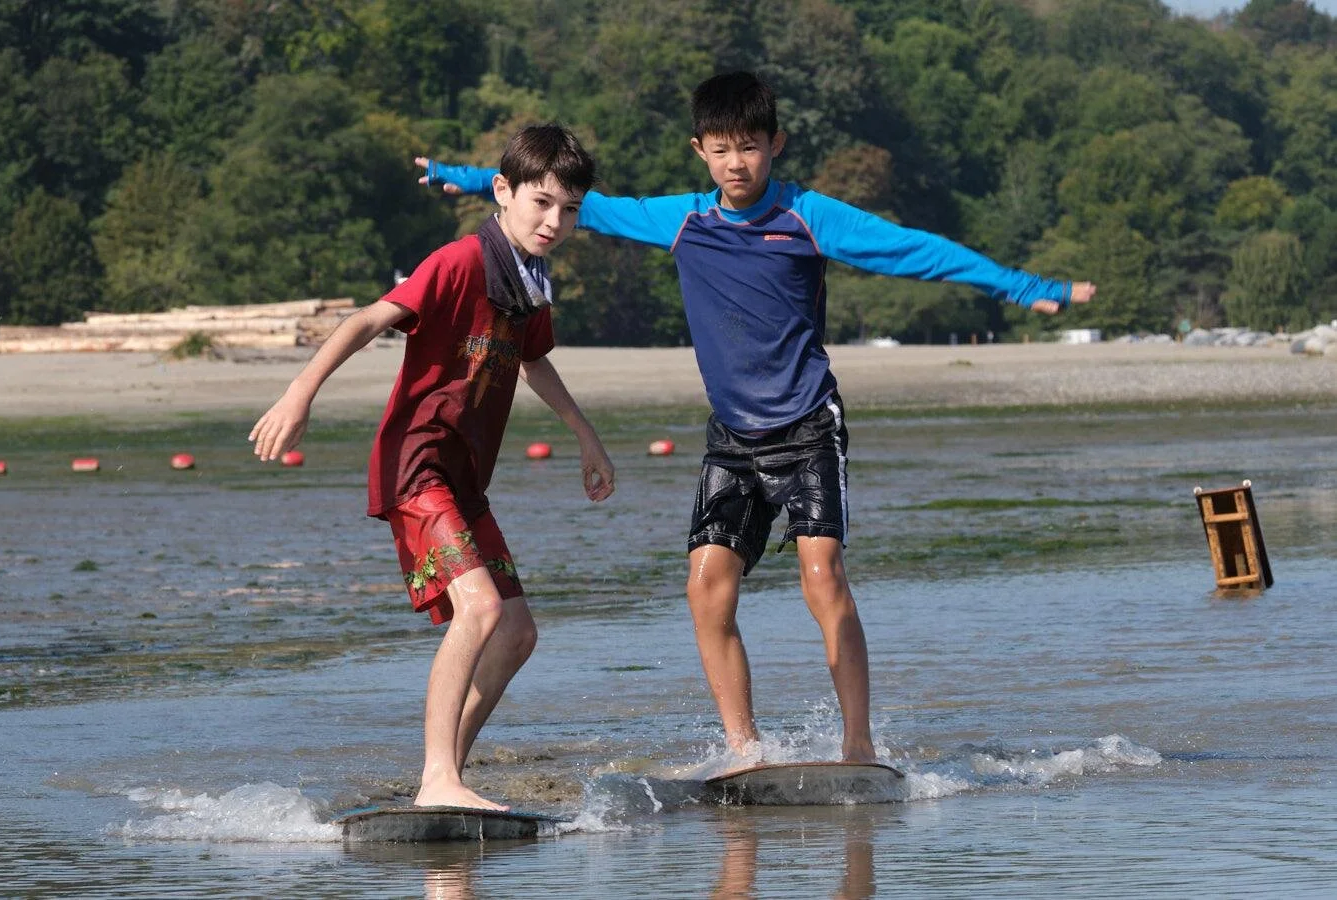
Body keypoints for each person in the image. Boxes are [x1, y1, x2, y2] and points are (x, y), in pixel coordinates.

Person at [418, 72, 1096, 766]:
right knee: (706, 585)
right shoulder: (683, 220)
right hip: (734, 436)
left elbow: (915, 251)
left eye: (749, 147)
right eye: (720, 149)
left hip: (807, 426)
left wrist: (1025, 286)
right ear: (699, 151)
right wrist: (469, 179)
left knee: (821, 573)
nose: (736, 163)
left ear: (775, 144)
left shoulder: (809, 216)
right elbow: (577, 205)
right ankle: (745, 752)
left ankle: (857, 746)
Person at [252, 124, 615, 811]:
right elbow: (368, 320)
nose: (554, 221)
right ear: (502, 191)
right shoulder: (460, 263)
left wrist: (585, 435)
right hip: (415, 467)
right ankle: (437, 781)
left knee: (516, 631)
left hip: (463, 481)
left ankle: (447, 769)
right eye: (541, 203)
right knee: (477, 610)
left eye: (569, 209)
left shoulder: (529, 284)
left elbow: (534, 360)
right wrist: (299, 394)